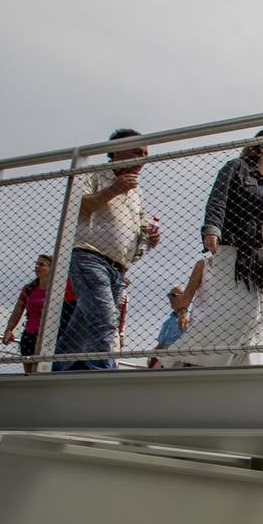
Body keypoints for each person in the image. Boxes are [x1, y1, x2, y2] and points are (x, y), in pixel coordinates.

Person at [165, 128, 263, 367]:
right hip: (238, 253)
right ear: (261, 147)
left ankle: (251, 369)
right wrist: (212, 230)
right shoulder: (237, 168)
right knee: (242, 312)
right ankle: (186, 359)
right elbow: (218, 199)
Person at [54, 128, 161, 370]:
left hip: (119, 267)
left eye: (145, 153)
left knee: (80, 330)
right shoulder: (91, 174)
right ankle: (104, 375)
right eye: (137, 151)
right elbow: (77, 207)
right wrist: (113, 189)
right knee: (105, 321)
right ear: (115, 151)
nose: (142, 159)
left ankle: (54, 372)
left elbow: (139, 224)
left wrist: (149, 237)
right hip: (89, 256)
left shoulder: (137, 192)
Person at [2, 254, 75, 374]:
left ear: (52, 268)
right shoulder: (29, 288)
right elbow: (18, 311)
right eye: (36, 263)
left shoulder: (60, 290)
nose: (37, 266)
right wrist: (9, 329)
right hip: (29, 335)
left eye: (41, 264)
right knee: (29, 373)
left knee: (42, 371)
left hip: (49, 337)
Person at [149, 285, 185, 368]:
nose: (170, 298)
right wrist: (150, 368)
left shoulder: (192, 318)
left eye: (173, 295)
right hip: (166, 361)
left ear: (184, 297)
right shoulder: (167, 322)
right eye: (169, 295)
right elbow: (160, 346)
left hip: (183, 359)